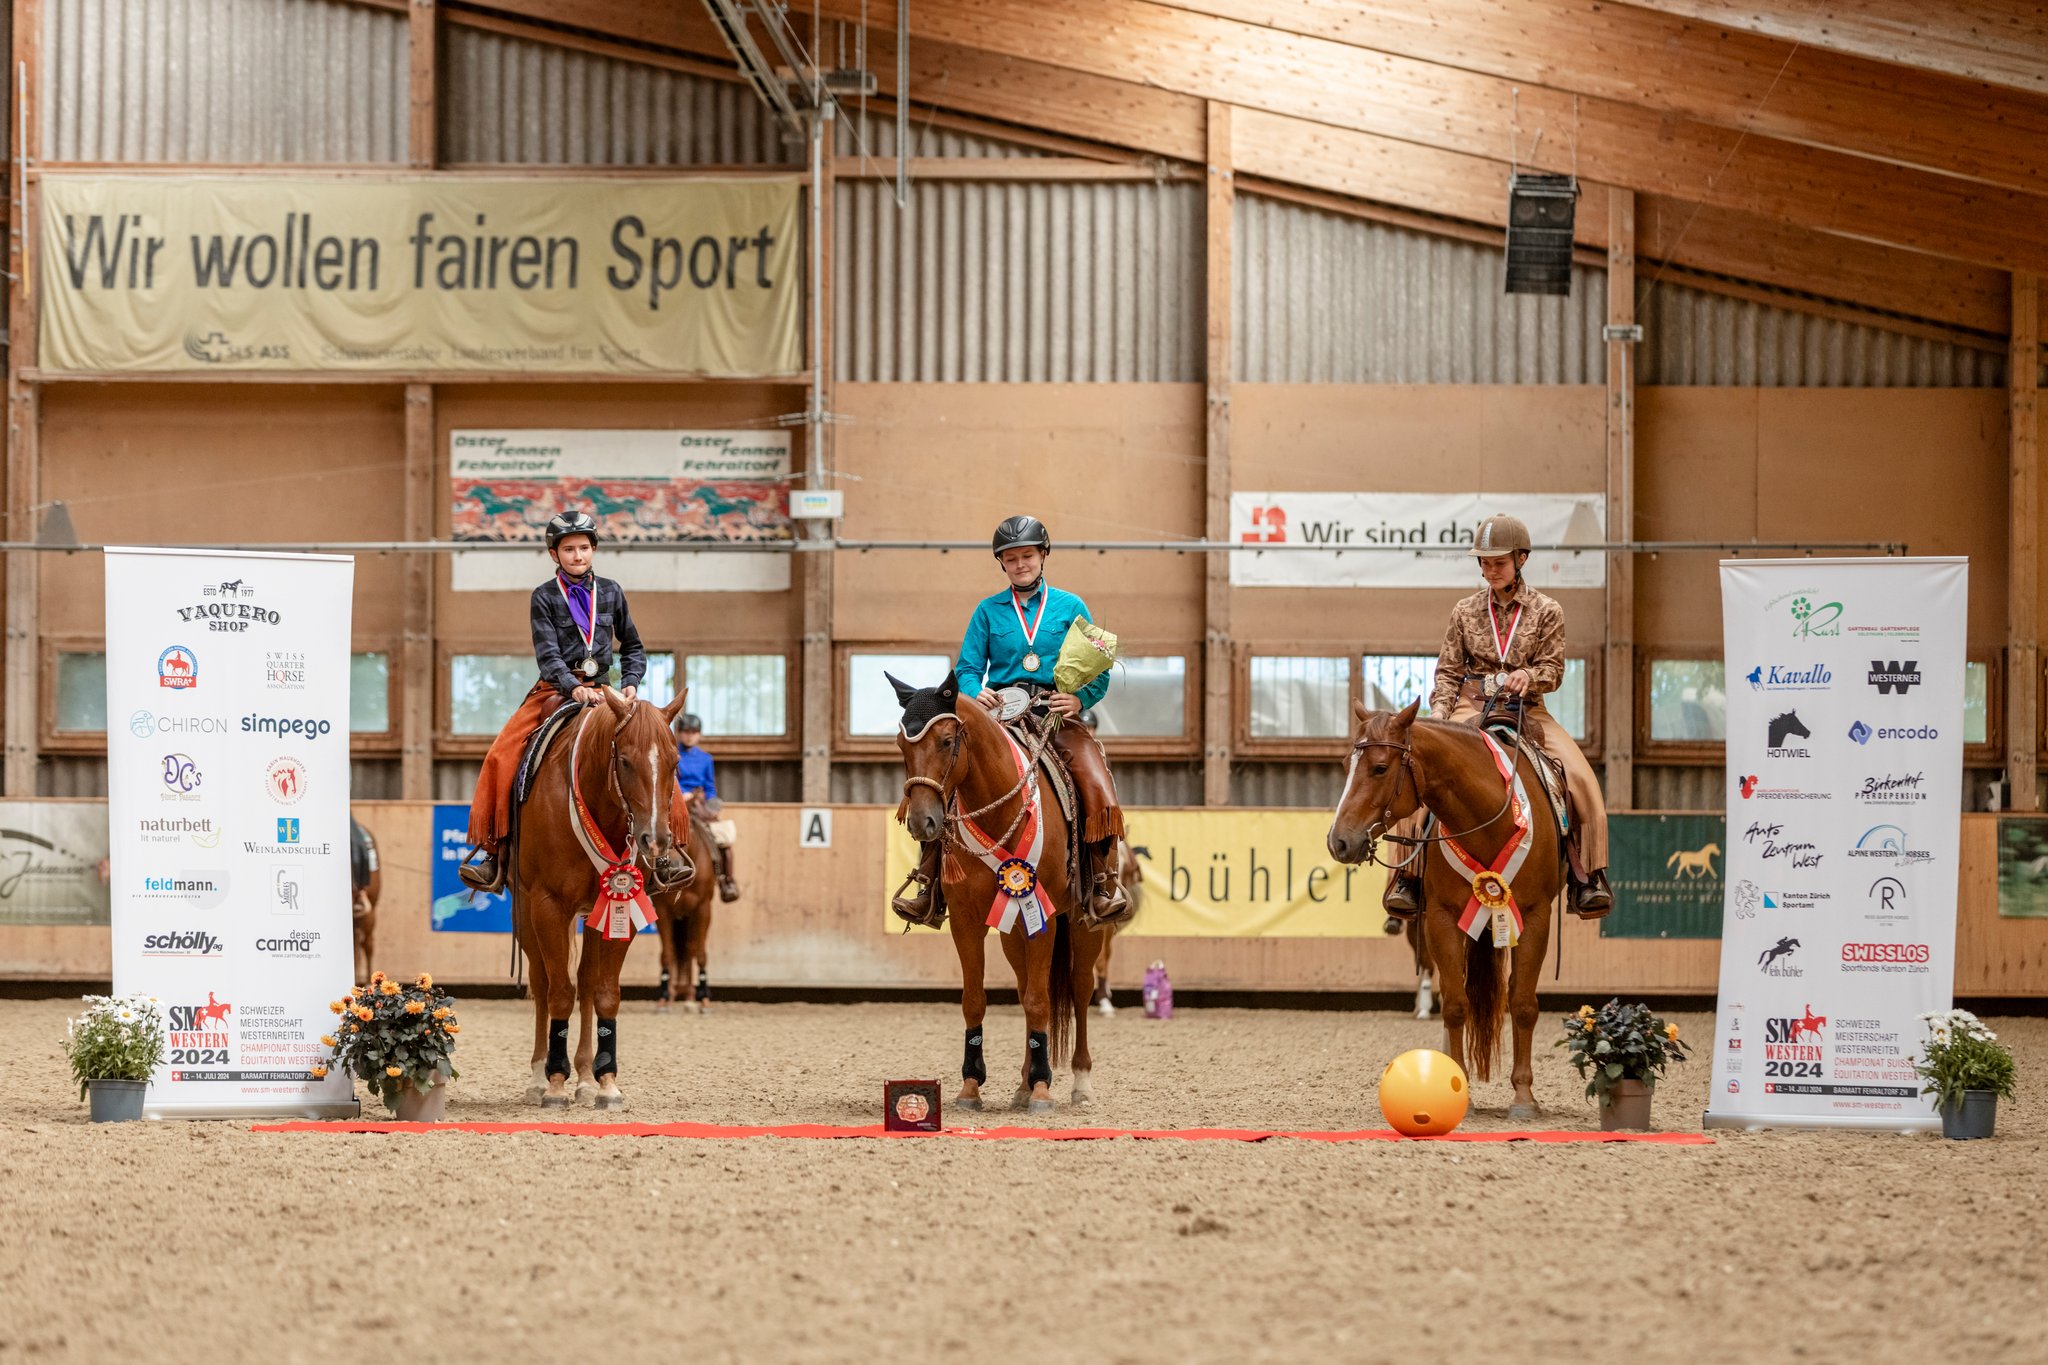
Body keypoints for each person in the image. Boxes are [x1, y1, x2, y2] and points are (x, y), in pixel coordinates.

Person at [892, 514, 1127, 927]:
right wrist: (973, 689)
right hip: (1001, 716)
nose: (1021, 564)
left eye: (1028, 556)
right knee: (943, 779)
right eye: (1012, 558)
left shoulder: (1071, 607)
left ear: (1043, 555)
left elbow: (1100, 670)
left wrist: (1079, 697)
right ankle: (928, 884)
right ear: (1003, 563)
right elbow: (967, 667)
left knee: (1094, 778)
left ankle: (1100, 883)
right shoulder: (987, 611)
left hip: (1055, 715)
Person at [1382, 513, 1612, 919]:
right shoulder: (1465, 611)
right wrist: (1439, 714)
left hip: (1528, 709)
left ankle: (1586, 877)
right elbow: (1449, 671)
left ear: (1521, 559)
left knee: (1581, 780)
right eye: (1484, 563)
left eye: (1499, 562)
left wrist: (1529, 675)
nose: (1490, 570)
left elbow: (1554, 670)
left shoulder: (1547, 610)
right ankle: (1408, 878)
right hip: (1469, 705)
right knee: (1417, 768)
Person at [459, 510, 647, 892]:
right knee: (502, 753)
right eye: (568, 549)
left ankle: (668, 850)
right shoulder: (543, 596)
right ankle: (495, 852)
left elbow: (634, 645)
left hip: (608, 689)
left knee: (653, 747)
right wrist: (572, 686)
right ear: (554, 554)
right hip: (556, 688)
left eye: (583, 548)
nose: (577, 556)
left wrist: (630, 681)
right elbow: (547, 653)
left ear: (593, 549)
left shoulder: (612, 591)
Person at [672, 712, 741, 903]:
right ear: (679, 733)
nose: (689, 736)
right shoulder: (673, 753)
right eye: (686, 732)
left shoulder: (705, 759)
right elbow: (670, 778)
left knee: (723, 839)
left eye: (694, 732)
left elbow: (709, 786)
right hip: (677, 802)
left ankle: (726, 880)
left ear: (699, 734)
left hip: (700, 804)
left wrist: (712, 803)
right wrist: (682, 793)